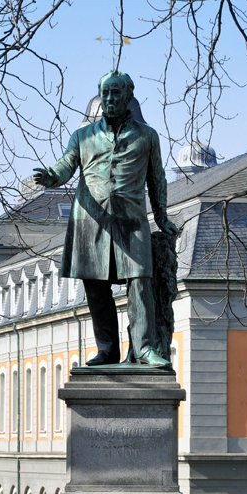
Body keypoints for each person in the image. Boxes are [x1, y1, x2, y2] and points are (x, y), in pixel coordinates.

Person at [33, 71, 178, 367]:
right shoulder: (82, 137)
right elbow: (65, 166)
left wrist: (161, 217)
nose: (110, 99)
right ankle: (107, 349)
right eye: (106, 93)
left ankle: (145, 348)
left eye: (116, 93)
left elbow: (157, 179)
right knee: (96, 288)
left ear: (128, 96)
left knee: (140, 281)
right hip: (91, 222)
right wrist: (51, 177)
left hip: (131, 220)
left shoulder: (147, 136)